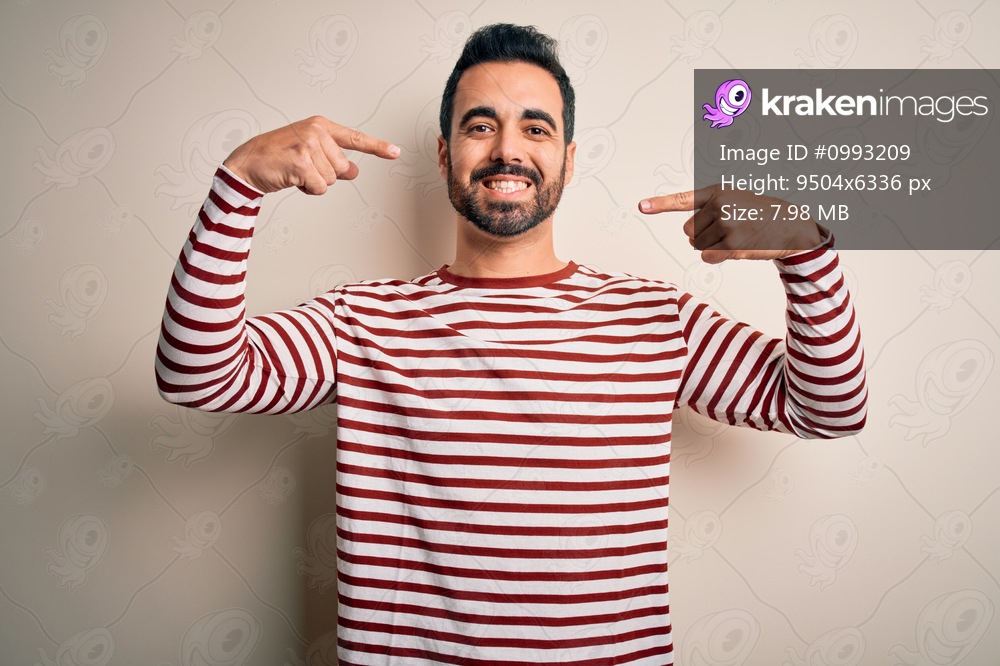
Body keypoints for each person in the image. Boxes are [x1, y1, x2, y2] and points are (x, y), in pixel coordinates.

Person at [156, 23, 866, 666]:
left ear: (568, 156)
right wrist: (239, 184)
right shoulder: (362, 322)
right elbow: (199, 376)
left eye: (535, 128)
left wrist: (806, 255)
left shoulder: (657, 318)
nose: (507, 150)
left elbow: (829, 409)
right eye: (479, 127)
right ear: (444, 153)